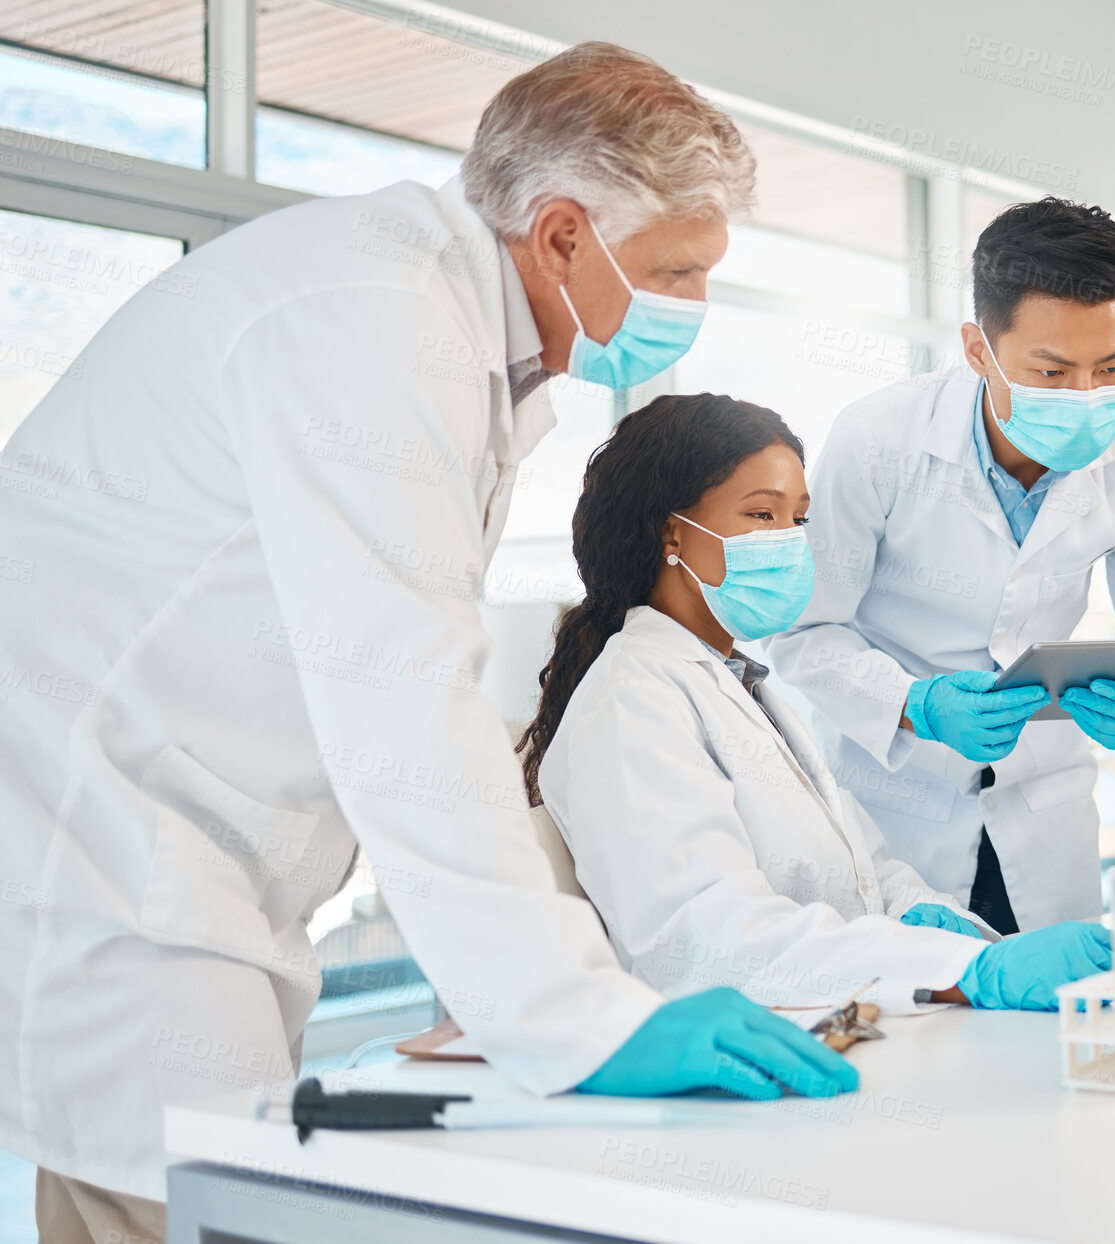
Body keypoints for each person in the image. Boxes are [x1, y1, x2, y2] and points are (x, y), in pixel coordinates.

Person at [0, 43, 856, 1241]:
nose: (689, 310)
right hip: (110, 863)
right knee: (173, 1197)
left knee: (219, 1191)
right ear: (561, 235)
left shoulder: (457, 339)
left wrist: (512, 992)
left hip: (201, 862)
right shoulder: (373, 321)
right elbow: (402, 689)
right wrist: (563, 1011)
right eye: (675, 271)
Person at [527, 393, 1113, 1016]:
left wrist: (938, 923)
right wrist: (966, 970)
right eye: (761, 515)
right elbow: (710, 943)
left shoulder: (741, 687)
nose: (788, 542)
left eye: (798, 521)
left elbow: (871, 872)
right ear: (672, 532)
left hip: (843, 1024)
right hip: (755, 1072)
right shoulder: (631, 701)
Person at [769, 199, 1115, 935]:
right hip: (894, 808)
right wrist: (916, 704)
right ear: (978, 350)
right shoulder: (879, 438)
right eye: (1052, 369)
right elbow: (803, 632)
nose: (1086, 396)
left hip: (1045, 810)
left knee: (1047, 1026)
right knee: (907, 1025)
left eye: (1113, 366)